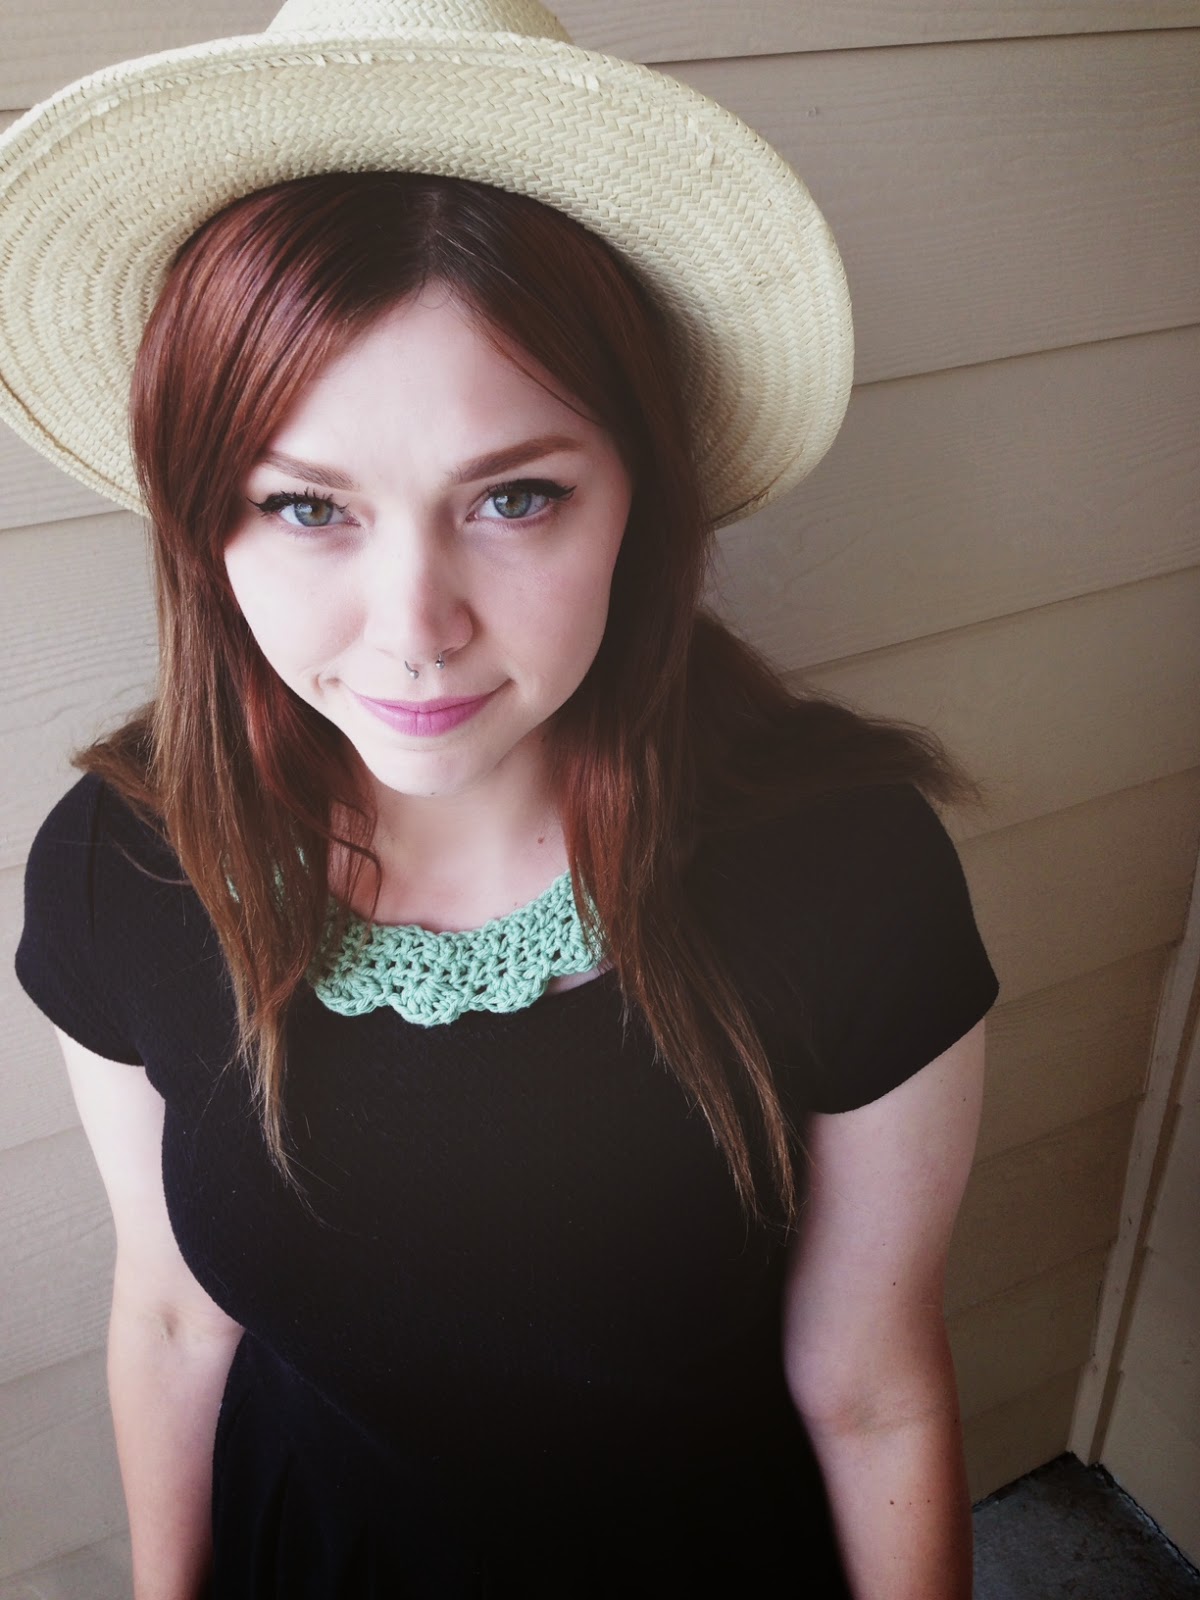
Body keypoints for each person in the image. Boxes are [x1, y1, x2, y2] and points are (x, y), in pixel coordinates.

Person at [3, 3, 998, 1596]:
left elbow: (874, 1391)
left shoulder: (848, 873)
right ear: (205, 523)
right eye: (307, 506)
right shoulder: (122, 868)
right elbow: (175, 1315)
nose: (416, 627)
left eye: (516, 496)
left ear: (639, 502)